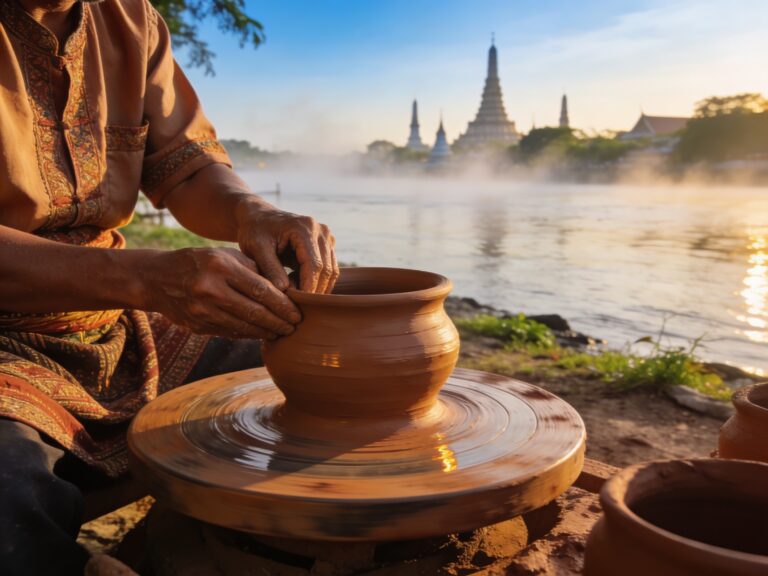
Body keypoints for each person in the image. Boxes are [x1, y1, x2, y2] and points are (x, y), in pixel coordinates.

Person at [0, 0, 338, 573]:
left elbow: (187, 166)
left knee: (322, 365)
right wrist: (145, 278)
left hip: (114, 322)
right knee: (11, 500)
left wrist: (251, 213)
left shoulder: (130, 18)